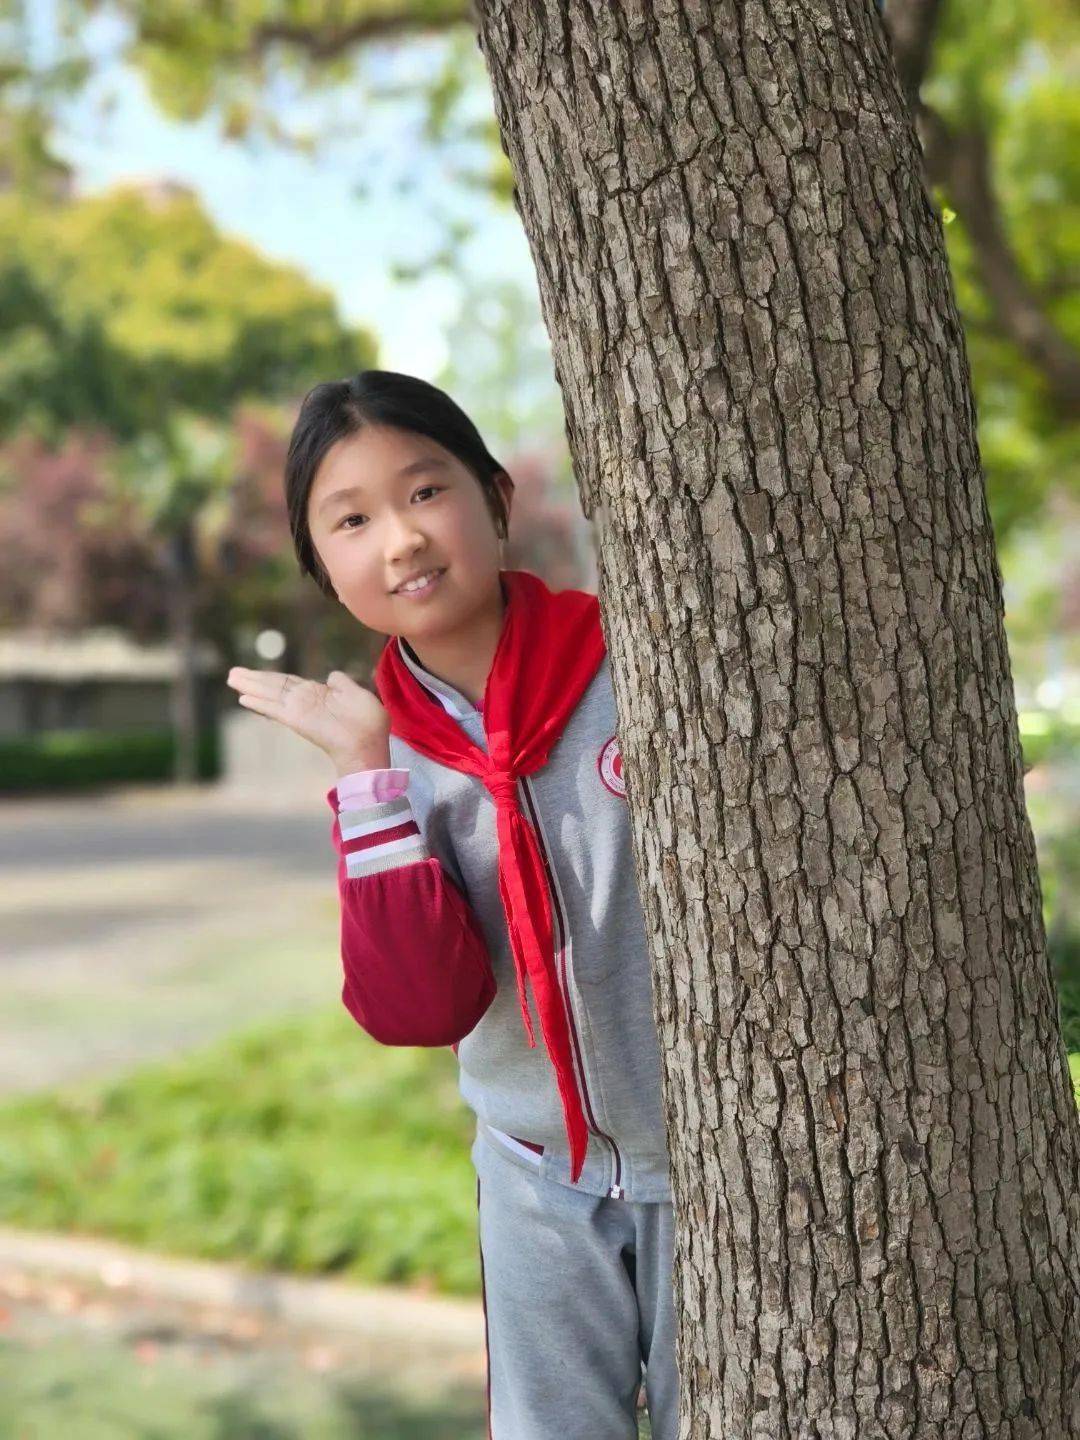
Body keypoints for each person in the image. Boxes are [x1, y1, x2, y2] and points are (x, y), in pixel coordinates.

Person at [226, 369, 678, 1439]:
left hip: (711, 1164)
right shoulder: (381, 757)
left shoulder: (640, 666)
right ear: (324, 566)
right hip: (534, 1182)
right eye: (352, 519)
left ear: (493, 497)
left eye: (425, 493)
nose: (402, 541)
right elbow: (421, 1008)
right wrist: (369, 787)